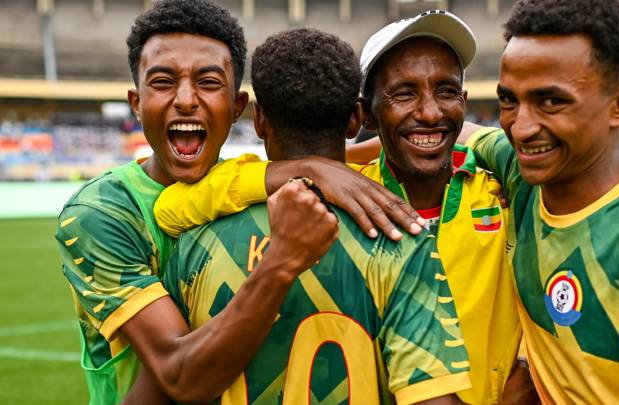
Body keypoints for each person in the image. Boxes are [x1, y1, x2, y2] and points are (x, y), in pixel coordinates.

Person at [154, 10, 533, 405]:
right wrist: (310, 168)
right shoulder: (353, 193)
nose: (431, 111)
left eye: (447, 91)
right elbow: (177, 204)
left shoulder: (501, 189)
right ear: (363, 114)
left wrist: (523, 367)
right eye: (403, 93)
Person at [54, 1, 421, 403]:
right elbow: (178, 377)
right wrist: (310, 176)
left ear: (240, 109)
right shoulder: (102, 212)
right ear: (136, 102)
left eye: (208, 82)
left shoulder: (242, 185)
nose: (186, 100)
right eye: (162, 82)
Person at [460, 0, 619, 403]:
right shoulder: (523, 176)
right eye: (509, 101)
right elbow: (459, 131)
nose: (521, 127)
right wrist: (330, 165)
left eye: (551, 102)